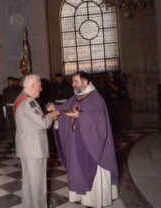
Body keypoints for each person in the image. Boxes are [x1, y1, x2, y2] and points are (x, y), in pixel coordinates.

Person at [48, 72, 119, 208]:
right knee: (77, 168)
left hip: (92, 144)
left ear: (85, 83)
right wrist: (55, 110)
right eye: (73, 82)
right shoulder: (75, 98)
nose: (73, 84)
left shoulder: (96, 98)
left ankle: (96, 199)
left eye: (76, 81)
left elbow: (99, 119)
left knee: (91, 169)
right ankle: (83, 197)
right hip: (77, 142)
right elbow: (64, 107)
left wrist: (80, 115)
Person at [14, 74, 59, 208]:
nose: (41, 89)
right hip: (34, 149)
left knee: (29, 185)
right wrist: (52, 117)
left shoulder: (21, 97)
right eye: (39, 86)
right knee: (38, 186)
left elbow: (31, 120)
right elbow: (42, 124)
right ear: (32, 86)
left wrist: (46, 113)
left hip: (27, 147)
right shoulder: (29, 101)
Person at [2, 77, 19, 145]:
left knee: (15, 124)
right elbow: (3, 100)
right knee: (9, 125)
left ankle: (16, 139)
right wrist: (4, 110)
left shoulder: (18, 90)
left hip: (15, 108)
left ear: (13, 82)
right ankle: (11, 139)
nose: (9, 83)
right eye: (8, 81)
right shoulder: (5, 90)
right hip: (8, 108)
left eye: (10, 81)